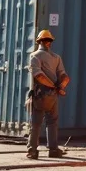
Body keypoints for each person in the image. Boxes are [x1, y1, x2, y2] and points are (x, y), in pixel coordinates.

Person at [27, 29, 69, 160]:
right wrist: (60, 87)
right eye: (48, 40)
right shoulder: (57, 58)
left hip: (40, 94)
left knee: (36, 124)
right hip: (53, 96)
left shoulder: (34, 56)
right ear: (50, 42)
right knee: (52, 122)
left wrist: (52, 86)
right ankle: (53, 149)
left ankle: (32, 150)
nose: (48, 42)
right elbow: (65, 76)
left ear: (38, 41)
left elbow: (39, 76)